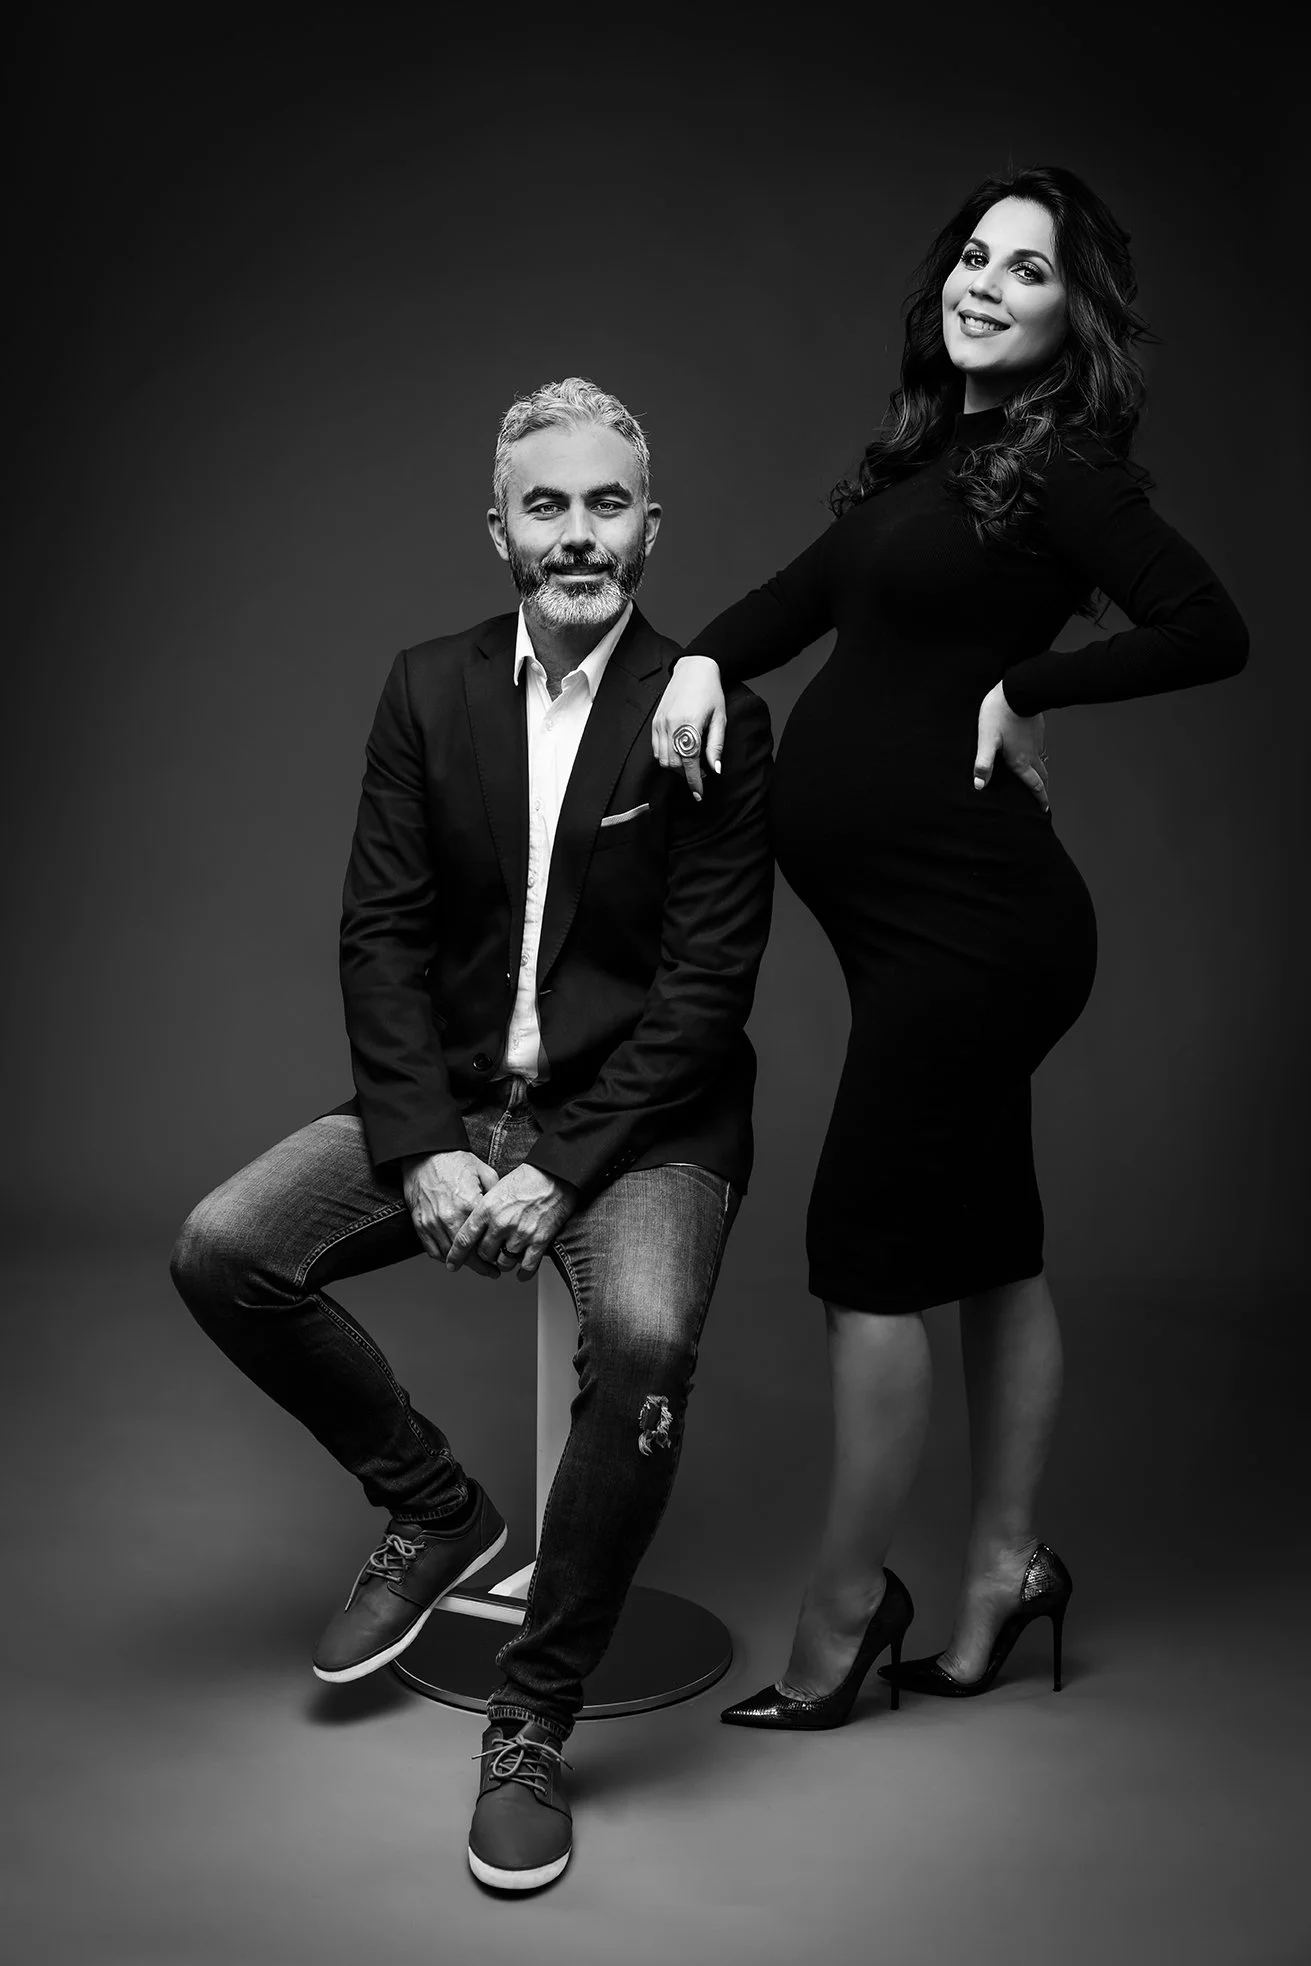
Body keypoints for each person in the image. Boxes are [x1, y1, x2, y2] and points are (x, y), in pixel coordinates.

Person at [650, 166, 1248, 1729]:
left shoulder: (1063, 473)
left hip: (980, 933)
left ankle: (848, 1613)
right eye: (971, 257)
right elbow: (774, 611)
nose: (983, 283)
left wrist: (1030, 693)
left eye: (1026, 268)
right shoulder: (930, 467)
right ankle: (1001, 1570)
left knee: (864, 1262)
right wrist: (704, 663)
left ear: (1073, 316)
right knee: (989, 1247)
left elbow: (1207, 626)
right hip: (924, 934)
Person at [170, 377, 774, 1887]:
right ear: (497, 526)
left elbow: (704, 995)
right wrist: (434, 1143)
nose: (579, 535)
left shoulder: (712, 710)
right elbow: (377, 934)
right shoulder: (424, 685)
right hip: (456, 1097)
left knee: (638, 1343)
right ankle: (437, 1508)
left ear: (652, 526)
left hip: (645, 1122)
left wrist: (555, 1167)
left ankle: (533, 1719)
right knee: (225, 1247)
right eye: (546, 504)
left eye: (608, 503)